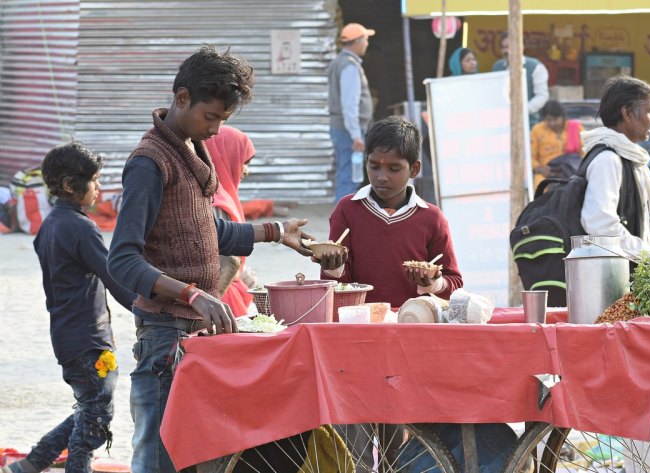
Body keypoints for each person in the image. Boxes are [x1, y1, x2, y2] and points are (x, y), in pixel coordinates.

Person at [107, 45, 318, 472]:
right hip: (164, 337)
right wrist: (193, 295)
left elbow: (206, 232)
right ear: (181, 98)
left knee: (192, 453)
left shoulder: (191, 153)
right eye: (212, 117)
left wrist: (276, 232)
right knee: (156, 454)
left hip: (194, 334)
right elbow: (122, 260)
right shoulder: (150, 163)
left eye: (224, 119)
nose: (217, 130)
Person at [2, 143, 137, 473]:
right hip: (89, 339)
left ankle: (34, 462)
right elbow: (113, 276)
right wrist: (145, 308)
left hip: (66, 335)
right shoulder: (80, 227)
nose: (99, 188)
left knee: (91, 405)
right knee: (97, 413)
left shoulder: (50, 225)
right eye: (95, 180)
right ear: (68, 184)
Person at [319, 116, 463, 308]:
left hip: (414, 322)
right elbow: (334, 287)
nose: (382, 177)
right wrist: (333, 268)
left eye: (394, 168)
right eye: (374, 166)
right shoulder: (347, 210)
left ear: (414, 169)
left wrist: (433, 283)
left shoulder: (432, 219)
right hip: (361, 321)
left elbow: (454, 283)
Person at [580, 75, 650, 256]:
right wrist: (646, 254)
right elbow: (599, 223)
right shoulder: (608, 160)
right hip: (611, 278)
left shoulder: (631, 159)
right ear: (628, 113)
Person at [205, 125, 259, 315]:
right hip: (220, 297)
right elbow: (218, 261)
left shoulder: (220, 197)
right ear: (224, 156)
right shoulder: (215, 203)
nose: (246, 171)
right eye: (244, 162)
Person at [328, 23, 375, 202]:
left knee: (346, 173)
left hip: (342, 129)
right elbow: (350, 104)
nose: (367, 44)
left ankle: (343, 218)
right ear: (357, 41)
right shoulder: (349, 66)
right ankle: (344, 221)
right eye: (366, 39)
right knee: (349, 178)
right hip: (348, 131)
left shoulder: (339, 62)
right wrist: (356, 135)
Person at [492, 32, 549, 124]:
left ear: (521, 47)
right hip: (502, 121)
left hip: (529, 121)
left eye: (509, 46)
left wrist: (522, 111)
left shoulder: (535, 67)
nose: (506, 51)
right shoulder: (497, 67)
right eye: (503, 47)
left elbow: (542, 96)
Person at [529, 99, 584, 189]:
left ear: (563, 117)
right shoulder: (537, 131)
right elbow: (531, 157)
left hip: (571, 171)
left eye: (555, 119)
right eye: (548, 120)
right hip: (547, 172)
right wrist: (539, 169)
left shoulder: (576, 128)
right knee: (539, 184)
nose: (552, 123)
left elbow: (584, 154)